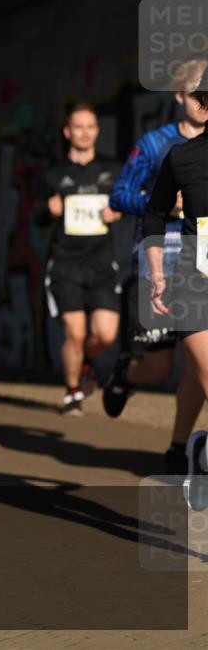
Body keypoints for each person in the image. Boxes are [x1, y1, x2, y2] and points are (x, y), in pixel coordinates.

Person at [106, 59, 207, 473]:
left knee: (198, 367)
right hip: (165, 266)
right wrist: (165, 201)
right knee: (161, 365)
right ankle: (128, 373)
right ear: (181, 96)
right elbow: (121, 196)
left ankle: (180, 447)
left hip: (196, 266)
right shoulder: (158, 146)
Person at [141, 75, 208, 509]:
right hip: (196, 286)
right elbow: (153, 214)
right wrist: (157, 275)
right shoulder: (183, 157)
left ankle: (201, 454)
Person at [35, 102, 122, 416]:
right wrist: (49, 211)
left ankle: (85, 360)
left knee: (106, 334)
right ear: (67, 131)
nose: (85, 133)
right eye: (78, 127)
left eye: (90, 126)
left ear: (97, 131)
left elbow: (130, 203)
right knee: (75, 332)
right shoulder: (53, 174)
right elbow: (36, 219)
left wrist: (118, 211)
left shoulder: (113, 170)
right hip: (65, 264)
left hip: (102, 264)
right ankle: (73, 393)